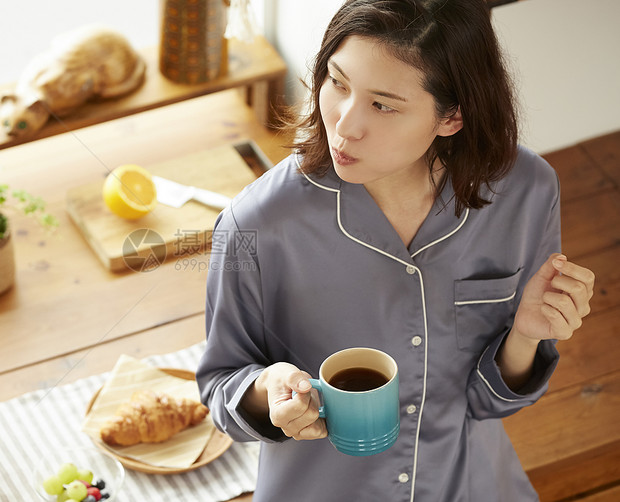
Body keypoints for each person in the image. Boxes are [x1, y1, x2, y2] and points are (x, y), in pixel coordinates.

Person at [195, 0, 597, 500]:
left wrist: (525, 337)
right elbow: (220, 383)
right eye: (338, 83)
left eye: (382, 105)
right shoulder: (255, 223)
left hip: (471, 482)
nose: (344, 125)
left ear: (451, 116)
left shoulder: (527, 191)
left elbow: (487, 402)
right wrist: (268, 390)